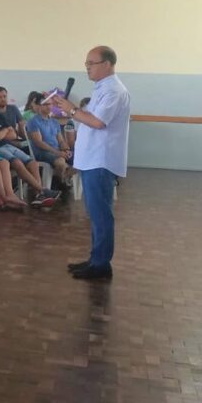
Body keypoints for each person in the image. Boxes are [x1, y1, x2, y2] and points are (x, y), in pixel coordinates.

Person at [50, 45, 132, 282]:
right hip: (92, 159)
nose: (87, 67)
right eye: (86, 63)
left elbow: (98, 123)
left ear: (107, 64)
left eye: (91, 63)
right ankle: (96, 258)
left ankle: (101, 264)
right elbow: (87, 119)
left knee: (101, 214)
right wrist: (71, 112)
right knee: (95, 213)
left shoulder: (114, 91)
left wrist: (72, 109)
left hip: (101, 160)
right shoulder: (101, 89)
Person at [0, 91, 57, 206]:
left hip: (8, 145)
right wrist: (5, 131)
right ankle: (42, 190)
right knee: (18, 163)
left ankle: (39, 195)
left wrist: (1, 133)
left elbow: (13, 135)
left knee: (33, 163)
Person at [27, 93, 73, 184]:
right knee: (60, 160)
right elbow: (39, 143)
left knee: (75, 158)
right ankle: (65, 178)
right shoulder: (33, 121)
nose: (49, 107)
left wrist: (66, 149)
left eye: (50, 104)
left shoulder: (54, 121)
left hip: (56, 151)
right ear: (39, 106)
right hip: (42, 152)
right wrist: (58, 152)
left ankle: (64, 178)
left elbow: (61, 140)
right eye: (45, 104)